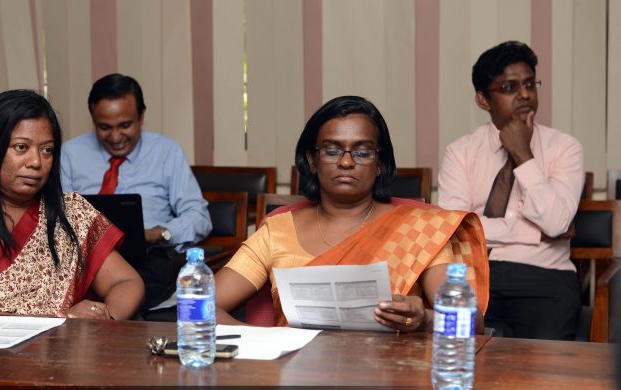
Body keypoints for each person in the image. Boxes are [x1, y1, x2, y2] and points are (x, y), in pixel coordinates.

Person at [215, 96, 489, 331]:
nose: (346, 162)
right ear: (312, 160)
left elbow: (471, 323)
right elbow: (200, 306)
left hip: (393, 371)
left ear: (379, 163)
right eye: (332, 150)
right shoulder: (277, 231)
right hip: (294, 370)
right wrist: (267, 340)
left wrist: (425, 320)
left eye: (363, 152)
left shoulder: (420, 229)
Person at [0, 89, 144, 319]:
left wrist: (104, 320)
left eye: (47, 150)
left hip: (66, 342)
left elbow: (126, 281)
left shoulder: (68, 212)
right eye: (21, 147)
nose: (36, 162)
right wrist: (62, 321)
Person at [438, 41, 584, 340]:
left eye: (530, 83)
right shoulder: (460, 152)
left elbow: (556, 222)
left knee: (544, 367)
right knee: (456, 355)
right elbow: (456, 229)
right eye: (509, 87)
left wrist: (523, 155)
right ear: (483, 99)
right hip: (474, 274)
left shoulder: (565, 148)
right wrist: (533, 233)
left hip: (546, 279)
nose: (525, 94)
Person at [61, 73, 212, 319]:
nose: (115, 137)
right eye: (104, 127)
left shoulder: (166, 151)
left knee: (139, 285)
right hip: (86, 260)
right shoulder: (70, 153)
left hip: (148, 257)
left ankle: (112, 324)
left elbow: (199, 216)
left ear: (141, 116)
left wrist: (158, 233)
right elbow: (59, 214)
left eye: (125, 125)